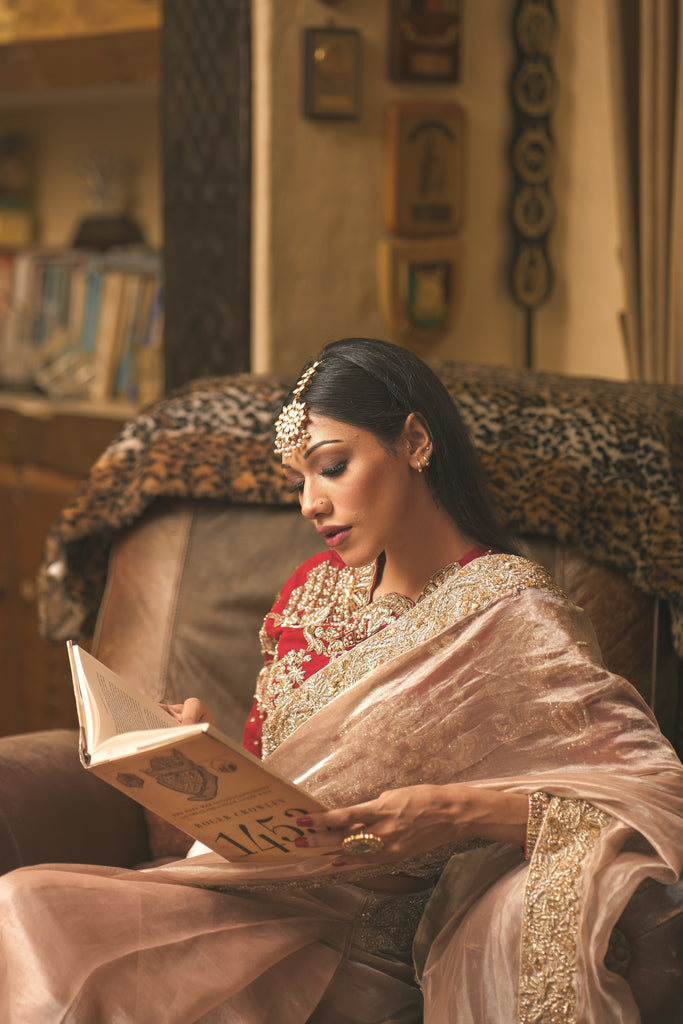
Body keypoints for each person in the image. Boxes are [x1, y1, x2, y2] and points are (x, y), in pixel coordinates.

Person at [1, 336, 682, 1023]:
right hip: (246, 904)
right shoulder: (307, 594)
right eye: (299, 479)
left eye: (331, 467)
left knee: (36, 923)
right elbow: (279, 810)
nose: (309, 503)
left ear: (414, 442)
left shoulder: (513, 616)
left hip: (366, 945)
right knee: (25, 907)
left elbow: (651, 798)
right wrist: (199, 760)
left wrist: (452, 812)